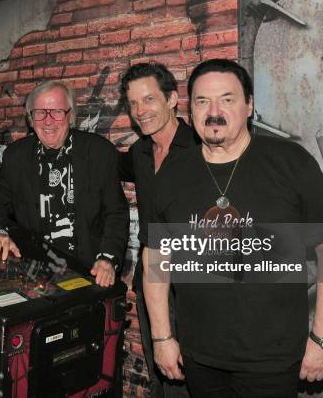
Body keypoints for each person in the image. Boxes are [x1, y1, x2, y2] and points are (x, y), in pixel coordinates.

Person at [143, 59, 323, 397]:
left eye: (227, 99)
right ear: (189, 109)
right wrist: (162, 337)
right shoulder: (170, 174)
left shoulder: (290, 162)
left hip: (273, 359)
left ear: (249, 105)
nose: (214, 111)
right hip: (200, 357)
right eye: (202, 101)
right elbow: (156, 258)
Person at [0, 80, 128, 287]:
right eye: (40, 112)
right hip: (33, 275)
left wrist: (108, 258)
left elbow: (116, 212)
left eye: (57, 112)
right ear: (31, 118)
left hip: (88, 273)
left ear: (70, 115)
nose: (48, 121)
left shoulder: (99, 152)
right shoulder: (16, 155)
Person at [119, 63, 194, 397]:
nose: (140, 111)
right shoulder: (139, 152)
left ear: (172, 99)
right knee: (162, 378)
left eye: (148, 99)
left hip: (195, 288)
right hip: (152, 285)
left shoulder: (201, 148)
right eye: (133, 103)